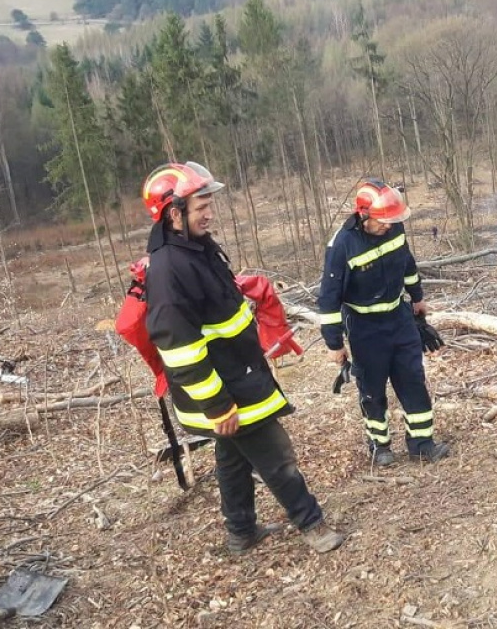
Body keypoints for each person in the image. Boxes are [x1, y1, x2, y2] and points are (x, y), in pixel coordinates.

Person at [141, 162, 345, 554]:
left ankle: (241, 532)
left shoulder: (196, 249)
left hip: (239, 374)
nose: (209, 212)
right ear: (173, 213)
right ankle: (313, 525)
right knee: (276, 456)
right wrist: (218, 405)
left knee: (232, 458)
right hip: (226, 390)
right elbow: (180, 350)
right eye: (201, 205)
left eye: (209, 203)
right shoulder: (169, 270)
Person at [318, 179, 450, 466]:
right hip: (364, 326)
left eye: (392, 220)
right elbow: (328, 298)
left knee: (413, 378)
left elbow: (407, 264)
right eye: (382, 221)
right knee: (372, 386)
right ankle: (380, 445)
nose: (388, 226)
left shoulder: (394, 228)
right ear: (364, 215)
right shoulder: (343, 245)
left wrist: (417, 297)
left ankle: (422, 444)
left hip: (398, 317)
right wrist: (334, 342)